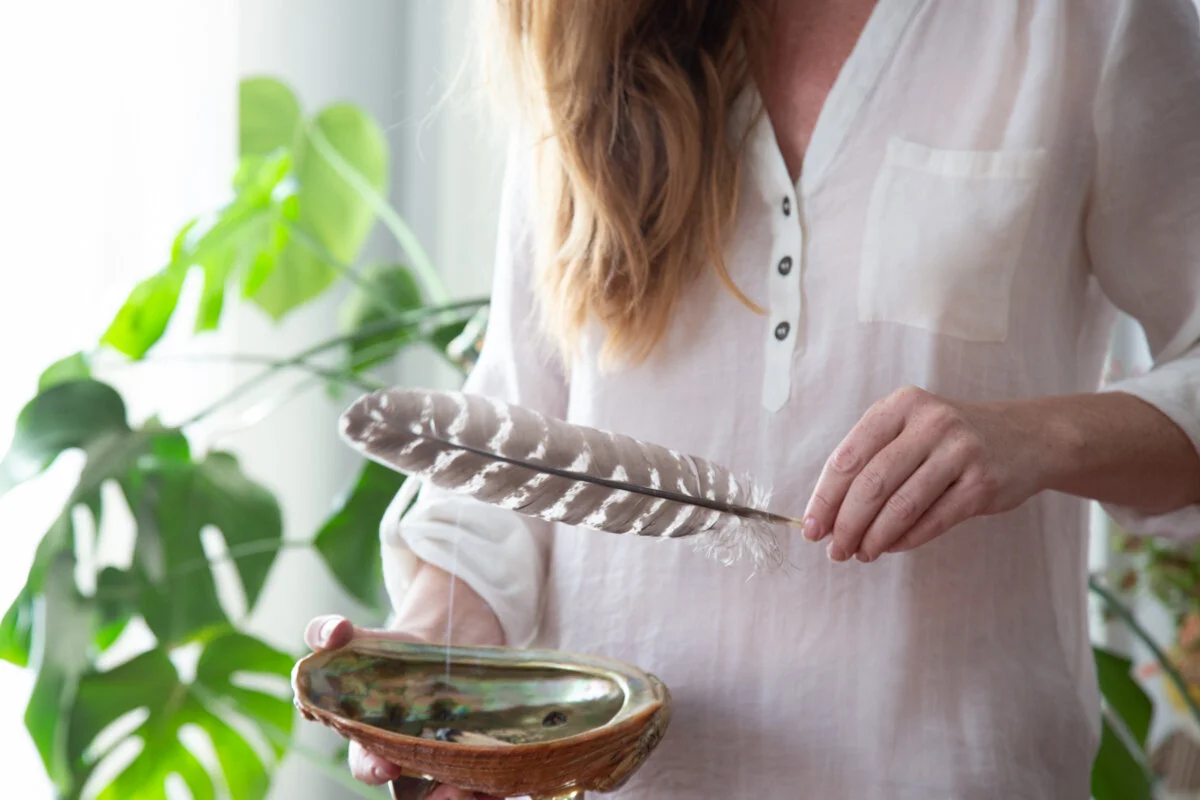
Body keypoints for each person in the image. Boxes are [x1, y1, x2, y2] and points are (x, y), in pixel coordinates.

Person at [305, 0, 1200, 797]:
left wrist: (1041, 436)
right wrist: (438, 663)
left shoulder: (1086, 20)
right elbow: (521, 426)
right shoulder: (587, 42)